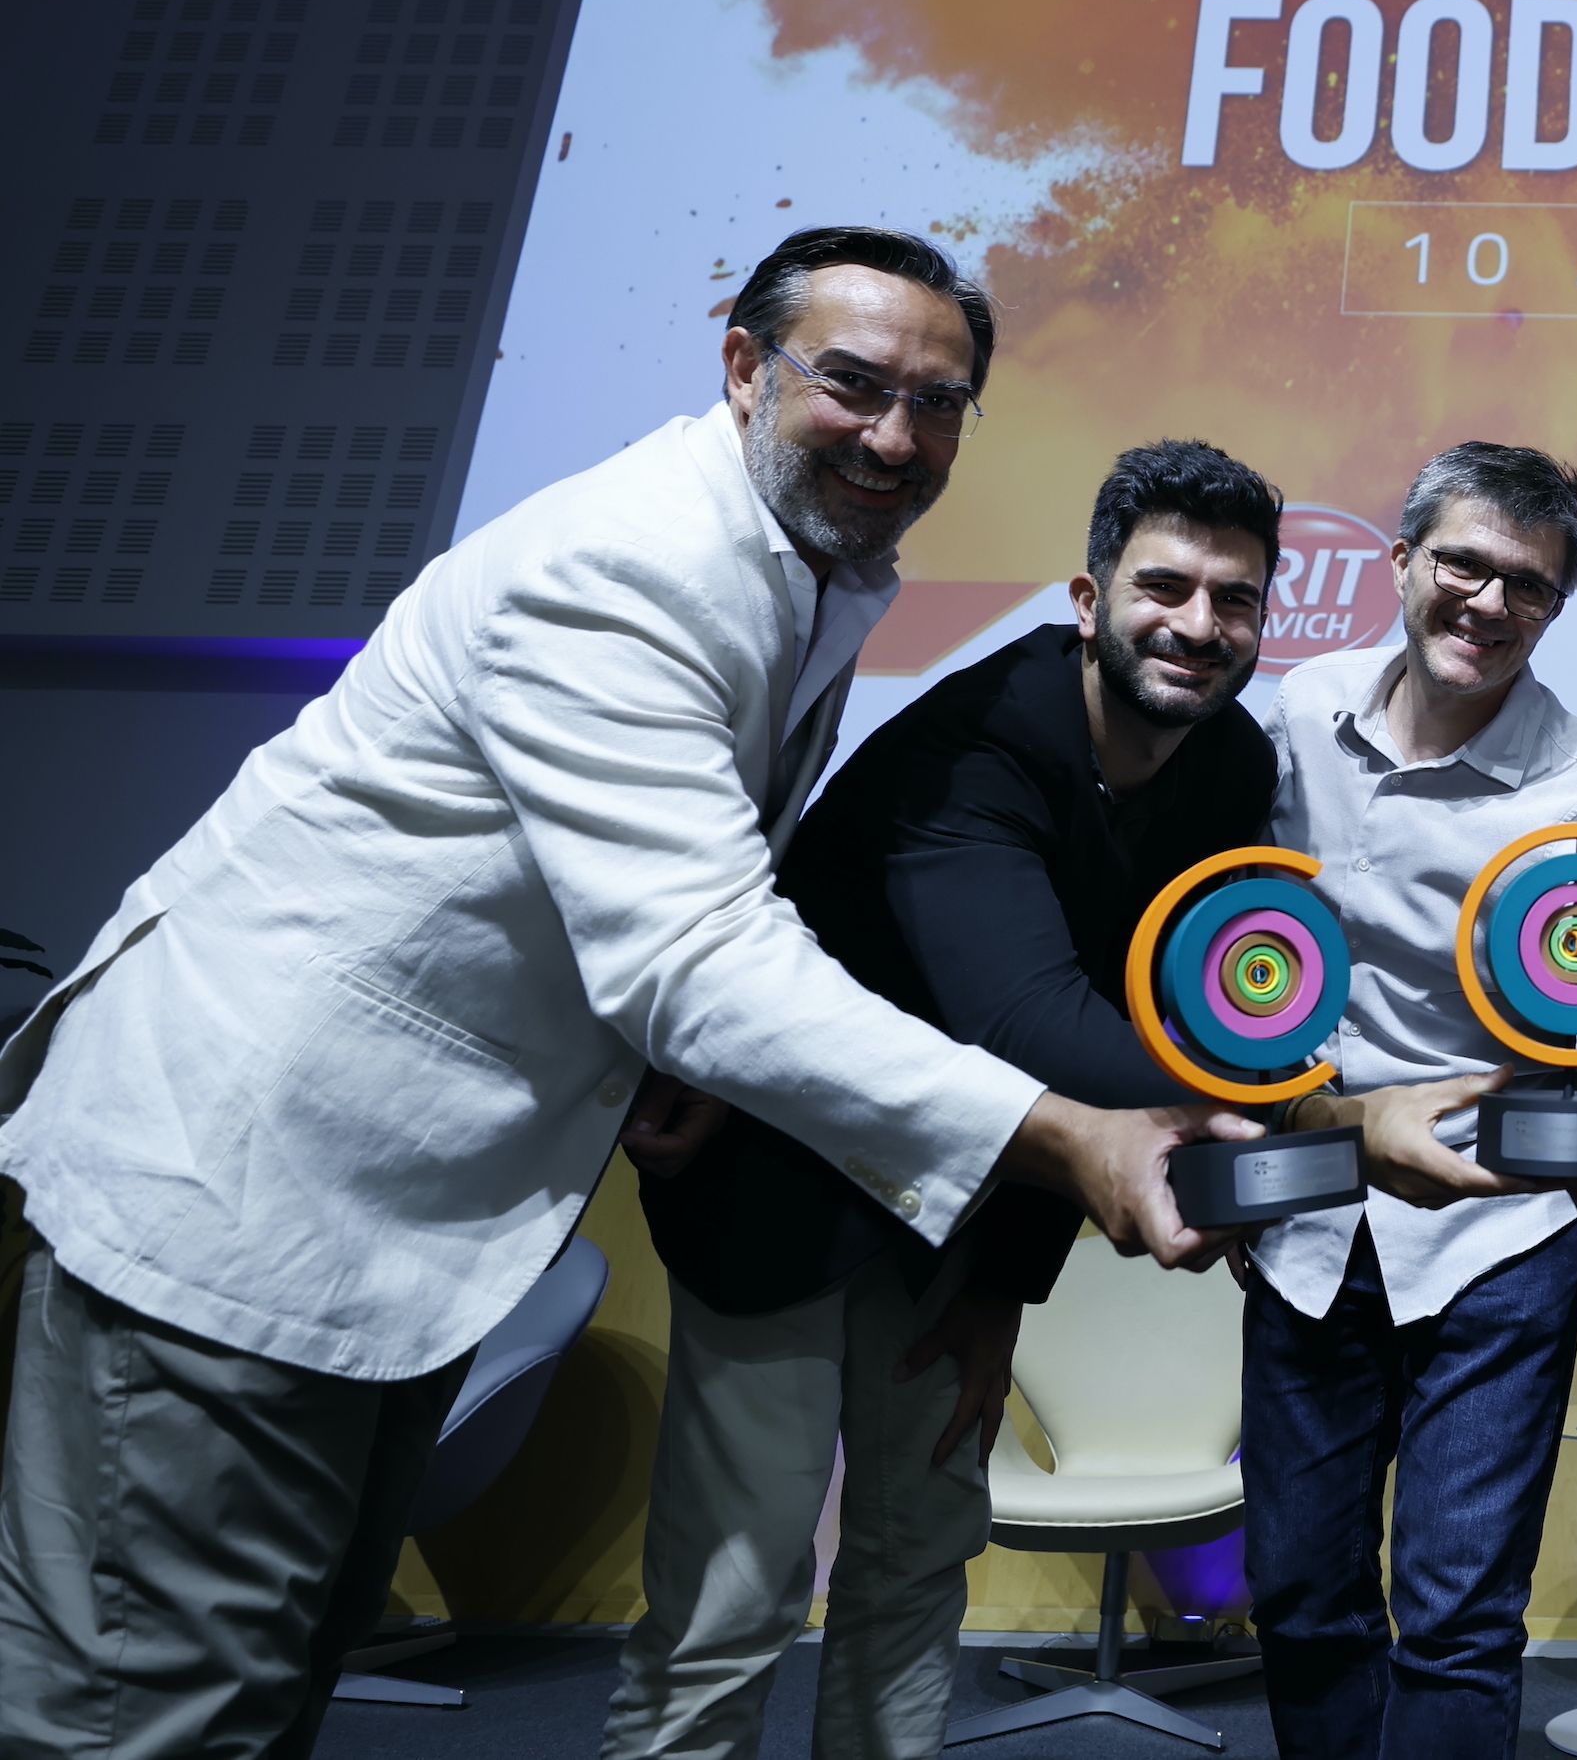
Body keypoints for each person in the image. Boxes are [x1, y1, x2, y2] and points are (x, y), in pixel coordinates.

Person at [0, 227, 1242, 1758]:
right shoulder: (631, 565)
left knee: (267, 1681)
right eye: (854, 384)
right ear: (744, 366)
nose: (895, 435)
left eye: (938, 403)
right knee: (151, 1715)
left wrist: (684, 1058)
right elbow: (699, 952)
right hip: (242, 1178)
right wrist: (1068, 1134)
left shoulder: (824, 573)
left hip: (401, 1226)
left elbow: (675, 894)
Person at [603, 439, 1297, 1758]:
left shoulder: (1227, 770)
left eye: (1236, 599)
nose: (1199, 625)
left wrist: (1004, 1286)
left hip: (970, 1209)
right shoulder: (980, 738)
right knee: (734, 1594)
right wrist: (1310, 1112)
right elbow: (1028, 1023)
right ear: (1087, 602)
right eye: (1164, 587)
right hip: (779, 1178)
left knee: (918, 1551)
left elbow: (1151, 1021)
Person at [1241, 440, 1577, 1760]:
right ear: (1400, 562)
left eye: (1529, 586)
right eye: (1464, 566)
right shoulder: (1296, 715)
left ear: (1558, 606)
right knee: (1300, 1595)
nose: (1490, 604)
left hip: (1497, 1234)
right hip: (1313, 1212)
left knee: (1457, 1617)